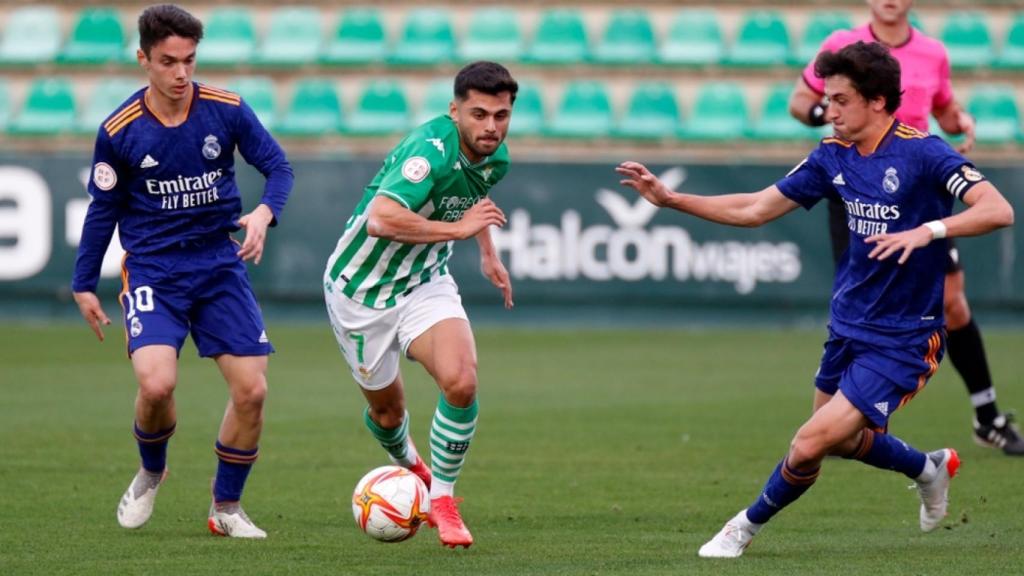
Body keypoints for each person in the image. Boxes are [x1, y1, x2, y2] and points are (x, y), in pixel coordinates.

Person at [618, 41, 1014, 558]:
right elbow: (756, 208)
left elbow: (998, 209)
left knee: (808, 442)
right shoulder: (832, 155)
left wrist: (930, 230)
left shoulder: (923, 151)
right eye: (827, 99)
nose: (828, 110)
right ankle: (926, 467)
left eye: (841, 100)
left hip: (905, 337)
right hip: (847, 326)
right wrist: (672, 200)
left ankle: (740, 528)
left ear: (877, 101)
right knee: (841, 441)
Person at [72, 4, 293, 538]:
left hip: (219, 264)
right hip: (154, 269)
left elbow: (279, 167)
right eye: (168, 62)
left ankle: (226, 508)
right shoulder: (120, 131)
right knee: (156, 386)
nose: (181, 74)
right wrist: (83, 283)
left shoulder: (226, 109)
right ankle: (151, 471)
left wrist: (265, 212)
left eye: (190, 61)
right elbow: (103, 209)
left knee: (253, 392)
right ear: (143, 59)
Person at [789, 0, 1023, 455]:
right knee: (864, 296)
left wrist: (963, 122)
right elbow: (800, 104)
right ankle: (853, 408)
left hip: (917, 192)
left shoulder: (933, 52)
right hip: (857, 184)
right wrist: (837, 115)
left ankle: (987, 415)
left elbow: (947, 110)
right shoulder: (842, 46)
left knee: (953, 301)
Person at [323, 61, 517, 548]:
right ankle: (410, 464)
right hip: (359, 293)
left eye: (501, 114)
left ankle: (443, 500)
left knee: (462, 379)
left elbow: (474, 203)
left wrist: (488, 255)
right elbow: (381, 219)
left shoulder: (497, 158)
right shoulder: (427, 152)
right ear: (455, 111)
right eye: (479, 114)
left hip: (424, 283)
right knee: (388, 415)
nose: (491, 126)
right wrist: (457, 231)